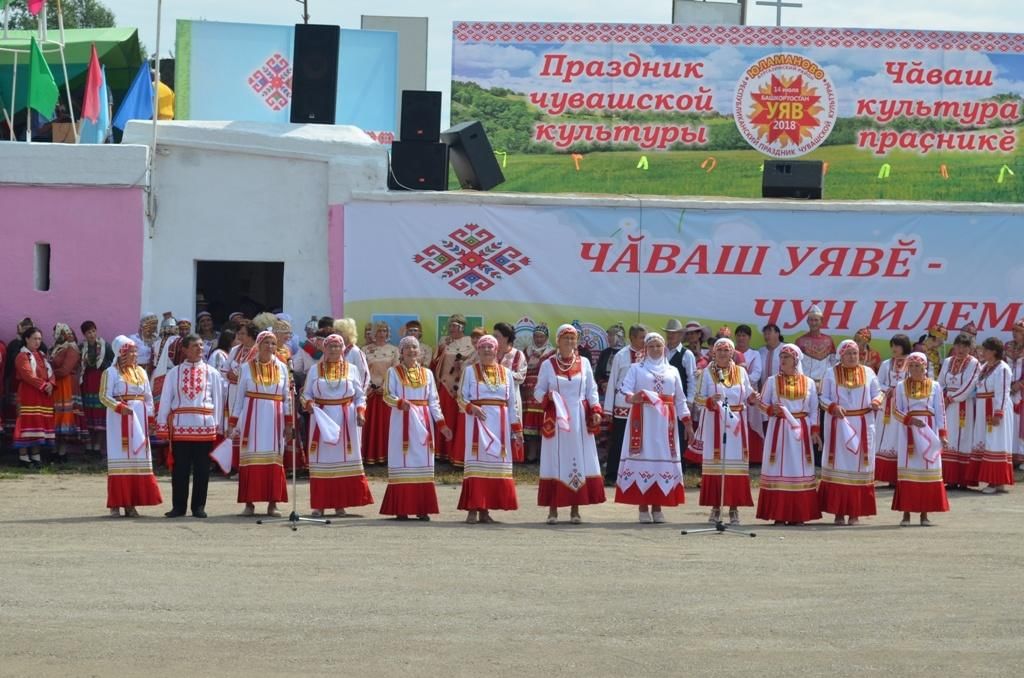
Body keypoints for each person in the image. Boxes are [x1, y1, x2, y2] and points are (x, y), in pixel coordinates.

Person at [613, 332, 692, 523]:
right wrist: (633, 398)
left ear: (664, 348)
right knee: (644, 457)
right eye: (651, 346)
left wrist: (687, 422)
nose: (655, 349)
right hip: (644, 419)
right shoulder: (636, 368)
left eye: (659, 346)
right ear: (646, 349)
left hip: (666, 424)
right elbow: (625, 389)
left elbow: (680, 398)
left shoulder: (672, 370)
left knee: (661, 458)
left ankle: (658, 507)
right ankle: (642, 507)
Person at [534, 324, 606, 524]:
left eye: (573, 339)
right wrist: (548, 396)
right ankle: (553, 510)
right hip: (557, 419)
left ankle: (575, 509)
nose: (570, 342)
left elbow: (591, 390)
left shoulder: (583, 363)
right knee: (556, 461)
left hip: (579, 420)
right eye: (566, 338)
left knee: (578, 459)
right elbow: (537, 391)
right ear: (558, 341)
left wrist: (596, 410)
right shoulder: (548, 364)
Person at [381, 335, 453, 520]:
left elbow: (434, 401)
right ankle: (402, 508)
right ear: (401, 352)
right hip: (402, 420)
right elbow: (387, 395)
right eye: (408, 347)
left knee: (423, 461)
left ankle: (422, 508)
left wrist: (442, 424)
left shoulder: (427, 373)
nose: (412, 351)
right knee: (403, 460)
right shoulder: (393, 372)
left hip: (423, 421)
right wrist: (399, 403)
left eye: (415, 347)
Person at [301, 334, 373, 517]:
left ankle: (341, 504)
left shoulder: (352, 369)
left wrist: (360, 412)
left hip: (346, 420)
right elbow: (306, 394)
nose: (334, 349)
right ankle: (320, 504)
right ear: (324, 349)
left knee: (343, 461)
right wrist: (308, 404)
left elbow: (359, 395)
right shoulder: (314, 370)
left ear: (343, 349)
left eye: (337, 346)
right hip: (321, 420)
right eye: (330, 346)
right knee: (323, 461)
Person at [156, 335, 224, 518]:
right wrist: (162, 423)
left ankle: (199, 507)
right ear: (184, 349)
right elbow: (165, 399)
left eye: (201, 345)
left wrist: (218, 426)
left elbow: (218, 400)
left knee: (202, 469)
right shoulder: (174, 373)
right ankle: (178, 507)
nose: (199, 349)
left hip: (204, 427)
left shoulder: (212, 373)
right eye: (195, 345)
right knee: (180, 469)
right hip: (180, 427)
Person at [457, 335, 522, 524]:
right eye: (483, 347)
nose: (487, 350)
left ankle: (485, 510)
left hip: (500, 426)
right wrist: (471, 408)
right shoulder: (469, 371)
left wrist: (516, 430)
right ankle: (472, 509)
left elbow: (512, 404)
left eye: (490, 347)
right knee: (477, 464)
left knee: (495, 466)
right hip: (477, 424)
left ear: (497, 350)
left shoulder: (506, 373)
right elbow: (460, 397)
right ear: (478, 350)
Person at [756, 344, 822, 525]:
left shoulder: (808, 382)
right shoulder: (771, 381)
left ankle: (798, 514)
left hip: (800, 430)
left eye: (787, 357)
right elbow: (761, 404)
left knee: (798, 470)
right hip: (779, 428)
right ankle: (778, 514)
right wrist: (771, 409)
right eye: (781, 356)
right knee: (778, 468)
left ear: (796, 360)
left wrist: (815, 431)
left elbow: (814, 408)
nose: (783, 360)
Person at [693, 337, 756, 524]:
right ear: (713, 352)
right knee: (716, 464)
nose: (722, 353)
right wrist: (710, 400)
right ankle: (715, 507)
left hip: (736, 422)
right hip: (716, 423)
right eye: (719, 350)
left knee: (734, 465)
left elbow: (748, 393)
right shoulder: (706, 373)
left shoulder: (741, 372)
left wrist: (756, 398)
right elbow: (698, 398)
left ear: (732, 353)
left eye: (726, 350)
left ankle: (734, 509)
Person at [818, 340, 882, 525]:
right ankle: (838, 512)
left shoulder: (868, 372)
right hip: (839, 425)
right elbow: (823, 398)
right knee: (840, 467)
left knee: (859, 468)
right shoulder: (831, 373)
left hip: (863, 424)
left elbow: (879, 392)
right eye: (849, 353)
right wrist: (833, 406)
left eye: (855, 353)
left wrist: (877, 401)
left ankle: (855, 512)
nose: (853, 356)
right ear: (841, 355)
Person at [230, 331, 292, 517]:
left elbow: (287, 396)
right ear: (258, 344)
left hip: (274, 418)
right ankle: (249, 504)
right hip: (252, 418)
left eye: (273, 343)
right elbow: (239, 397)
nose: (270, 347)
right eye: (266, 343)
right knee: (250, 458)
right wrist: (233, 422)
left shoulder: (282, 367)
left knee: (274, 459)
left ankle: (273, 504)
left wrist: (289, 423)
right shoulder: (246, 368)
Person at [100, 336, 163, 517]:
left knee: (137, 459)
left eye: (135, 352)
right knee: (121, 458)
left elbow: (149, 397)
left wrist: (151, 421)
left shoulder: (142, 373)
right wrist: (120, 408)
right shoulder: (110, 373)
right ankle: (116, 504)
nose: (135, 355)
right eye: (130, 352)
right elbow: (104, 396)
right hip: (119, 420)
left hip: (139, 420)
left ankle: (131, 503)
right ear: (121, 353)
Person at [892, 352, 950, 526]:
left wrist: (943, 435)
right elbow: (895, 411)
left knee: (927, 469)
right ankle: (906, 515)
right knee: (908, 470)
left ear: (925, 367)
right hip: (909, 432)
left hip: (929, 430)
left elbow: (940, 411)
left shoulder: (935, 386)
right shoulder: (901, 386)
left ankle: (925, 515)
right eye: (912, 366)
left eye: (918, 365)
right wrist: (909, 420)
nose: (915, 369)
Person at [969, 337, 1015, 494]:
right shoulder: (985, 367)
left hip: (995, 408)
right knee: (985, 441)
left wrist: (999, 413)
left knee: (995, 442)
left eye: (986, 350)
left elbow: (1003, 392)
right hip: (983, 408)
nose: (983, 352)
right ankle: (995, 481)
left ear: (994, 352)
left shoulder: (1002, 368)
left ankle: (995, 482)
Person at [603, 324, 647, 486]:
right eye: (642, 337)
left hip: (643, 406)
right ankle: (612, 475)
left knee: (640, 442)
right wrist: (608, 408)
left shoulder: (650, 355)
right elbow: (613, 380)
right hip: (622, 405)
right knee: (619, 441)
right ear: (632, 338)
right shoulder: (621, 355)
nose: (644, 340)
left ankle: (637, 474)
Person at [430, 314, 474, 462]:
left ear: (462, 327)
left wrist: (461, 364)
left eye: (455, 326)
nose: (452, 329)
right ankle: (442, 452)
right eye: (450, 326)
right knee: (445, 416)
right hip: (445, 384)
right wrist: (442, 348)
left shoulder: (470, 342)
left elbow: (473, 360)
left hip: (461, 386)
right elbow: (435, 362)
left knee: (457, 419)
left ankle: (456, 453)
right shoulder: (444, 342)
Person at [938, 333, 980, 489]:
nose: (961, 349)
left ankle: (963, 480)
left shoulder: (974, 363)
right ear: (954, 346)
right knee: (949, 437)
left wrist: (952, 398)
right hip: (947, 404)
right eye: (958, 346)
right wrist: (942, 397)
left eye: (965, 346)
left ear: (970, 348)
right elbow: (940, 382)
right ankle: (950, 478)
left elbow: (970, 385)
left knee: (964, 437)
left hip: (964, 404)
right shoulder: (948, 361)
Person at [13, 326, 55, 468]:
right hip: (28, 394)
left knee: (38, 424)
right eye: (34, 339)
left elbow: (51, 373)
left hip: (42, 396)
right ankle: (23, 457)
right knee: (27, 423)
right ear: (26, 339)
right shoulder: (22, 356)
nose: (37, 342)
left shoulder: (42, 356)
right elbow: (27, 375)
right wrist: (44, 385)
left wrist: (51, 384)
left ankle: (36, 456)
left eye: (39, 339)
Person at [874, 334, 913, 486]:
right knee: (885, 437)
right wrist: (887, 389)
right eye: (892, 345)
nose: (894, 349)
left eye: (897, 345)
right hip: (887, 407)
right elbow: (878, 383)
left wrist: (899, 390)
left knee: (900, 436)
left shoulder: (913, 362)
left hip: (904, 406)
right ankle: (888, 476)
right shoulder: (886, 364)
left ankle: (901, 474)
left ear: (904, 346)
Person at [362, 321, 400, 465]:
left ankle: (386, 456)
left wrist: (384, 387)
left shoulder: (394, 350)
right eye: (379, 331)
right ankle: (369, 455)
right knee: (369, 425)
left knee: (386, 425)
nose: (382, 334)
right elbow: (362, 371)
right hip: (370, 392)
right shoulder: (365, 349)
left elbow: (396, 371)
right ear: (373, 333)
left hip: (386, 392)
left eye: (384, 330)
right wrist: (370, 386)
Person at [225, 321, 257, 474]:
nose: (239, 336)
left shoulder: (258, 351)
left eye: (243, 333)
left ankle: (248, 466)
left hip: (249, 396)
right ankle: (236, 466)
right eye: (239, 333)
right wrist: (229, 375)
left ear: (251, 334)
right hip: (233, 393)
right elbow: (224, 369)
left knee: (248, 427)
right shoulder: (235, 350)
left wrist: (239, 378)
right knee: (235, 427)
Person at [49, 323, 84, 461]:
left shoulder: (72, 349)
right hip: (55, 386)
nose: (54, 335)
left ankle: (62, 453)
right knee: (55, 416)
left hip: (66, 386)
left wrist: (49, 374)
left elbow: (65, 370)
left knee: (65, 416)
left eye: (56, 332)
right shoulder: (55, 348)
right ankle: (54, 451)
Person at [79, 321, 114, 455]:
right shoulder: (82, 347)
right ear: (84, 334)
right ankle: (88, 446)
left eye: (93, 331)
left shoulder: (105, 346)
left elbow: (113, 362)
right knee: (88, 414)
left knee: (100, 414)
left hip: (101, 382)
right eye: (88, 332)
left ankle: (97, 447)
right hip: (87, 384)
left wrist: (103, 364)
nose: (92, 334)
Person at [522, 324, 555, 463]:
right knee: (529, 426)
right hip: (527, 392)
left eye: (541, 336)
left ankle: (544, 456)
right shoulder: (526, 350)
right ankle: (531, 455)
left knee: (543, 423)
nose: (539, 339)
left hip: (542, 391)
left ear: (547, 337)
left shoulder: (552, 352)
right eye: (536, 336)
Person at [494, 322, 527, 460]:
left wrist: (503, 373)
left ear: (506, 337)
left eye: (497, 336)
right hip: (492, 399)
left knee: (510, 423)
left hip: (510, 398)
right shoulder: (490, 352)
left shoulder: (518, 354)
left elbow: (521, 377)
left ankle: (509, 458)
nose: (494, 339)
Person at [734, 324, 764, 464]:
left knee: (751, 424)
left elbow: (757, 373)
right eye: (739, 335)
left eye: (744, 335)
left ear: (749, 338)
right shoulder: (730, 352)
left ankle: (753, 458)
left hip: (750, 393)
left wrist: (742, 383)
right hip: (734, 394)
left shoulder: (755, 354)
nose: (741, 338)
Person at [795, 305, 836, 393]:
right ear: (807, 322)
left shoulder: (829, 340)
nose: (813, 323)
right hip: (806, 384)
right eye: (811, 320)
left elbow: (833, 362)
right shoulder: (800, 341)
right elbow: (796, 365)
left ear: (821, 322)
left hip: (826, 384)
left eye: (816, 320)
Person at [758, 324, 785, 391]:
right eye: (765, 334)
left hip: (782, 390)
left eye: (769, 333)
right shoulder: (761, 351)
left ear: (777, 334)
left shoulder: (785, 349)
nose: (766, 336)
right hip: (763, 390)